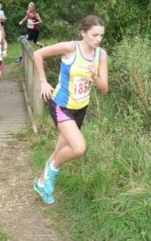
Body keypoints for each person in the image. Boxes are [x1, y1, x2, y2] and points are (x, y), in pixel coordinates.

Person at [32, 15, 109, 204]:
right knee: (78, 148)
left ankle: (41, 184)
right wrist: (43, 82)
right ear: (83, 33)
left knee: (60, 148)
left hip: (80, 108)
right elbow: (37, 54)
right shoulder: (70, 48)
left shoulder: (101, 55)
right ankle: (53, 169)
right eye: (94, 35)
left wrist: (94, 76)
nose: (98, 40)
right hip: (61, 105)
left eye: (101, 36)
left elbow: (104, 88)